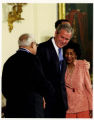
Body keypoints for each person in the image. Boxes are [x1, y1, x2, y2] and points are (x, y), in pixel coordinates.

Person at [2, 33, 54, 118]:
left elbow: (4, 89)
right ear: (33, 45)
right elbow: (41, 83)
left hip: (12, 110)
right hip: (31, 110)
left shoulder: (8, 61)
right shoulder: (33, 59)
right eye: (36, 45)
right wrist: (51, 92)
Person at [37, 23, 74, 118]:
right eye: (62, 37)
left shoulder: (66, 50)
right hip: (47, 102)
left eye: (67, 39)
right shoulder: (42, 48)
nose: (64, 41)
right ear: (55, 33)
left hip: (61, 102)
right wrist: (41, 97)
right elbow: (38, 75)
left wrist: (84, 63)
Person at [63, 41, 93, 118]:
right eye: (66, 53)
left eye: (71, 53)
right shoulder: (62, 67)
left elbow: (89, 88)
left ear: (76, 55)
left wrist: (91, 107)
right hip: (68, 109)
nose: (68, 56)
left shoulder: (83, 65)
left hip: (83, 107)